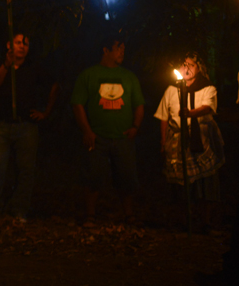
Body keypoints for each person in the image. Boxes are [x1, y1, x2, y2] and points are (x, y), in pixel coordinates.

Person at [0, 33, 59, 220]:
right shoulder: (0, 63)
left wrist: (45, 112)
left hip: (26, 125)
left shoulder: (33, 68)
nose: (22, 46)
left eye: (25, 43)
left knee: (25, 170)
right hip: (1, 124)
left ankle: (19, 211)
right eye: (18, 42)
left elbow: (54, 85)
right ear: (9, 45)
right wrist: (6, 66)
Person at [71, 35, 145, 224]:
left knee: (127, 177)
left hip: (123, 137)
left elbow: (138, 104)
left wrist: (135, 127)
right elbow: (78, 104)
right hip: (97, 137)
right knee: (93, 177)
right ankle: (90, 215)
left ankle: (129, 215)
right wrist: (87, 131)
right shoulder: (89, 75)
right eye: (118, 48)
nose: (122, 52)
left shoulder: (129, 77)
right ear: (105, 50)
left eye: (123, 48)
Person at [153, 52, 225, 232]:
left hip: (202, 141)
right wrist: (163, 141)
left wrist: (191, 113)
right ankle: (183, 220)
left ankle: (205, 221)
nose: (186, 68)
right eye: (184, 64)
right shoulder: (171, 90)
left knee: (205, 183)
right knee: (180, 185)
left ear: (199, 68)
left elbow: (208, 107)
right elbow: (164, 116)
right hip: (177, 142)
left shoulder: (208, 88)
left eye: (191, 64)